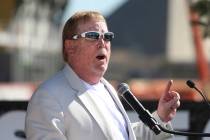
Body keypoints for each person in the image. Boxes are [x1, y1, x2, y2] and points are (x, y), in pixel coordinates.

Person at [25, 11, 180, 140]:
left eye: (107, 37)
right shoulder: (48, 96)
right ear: (70, 46)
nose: (102, 42)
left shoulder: (107, 89)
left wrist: (160, 117)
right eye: (93, 36)